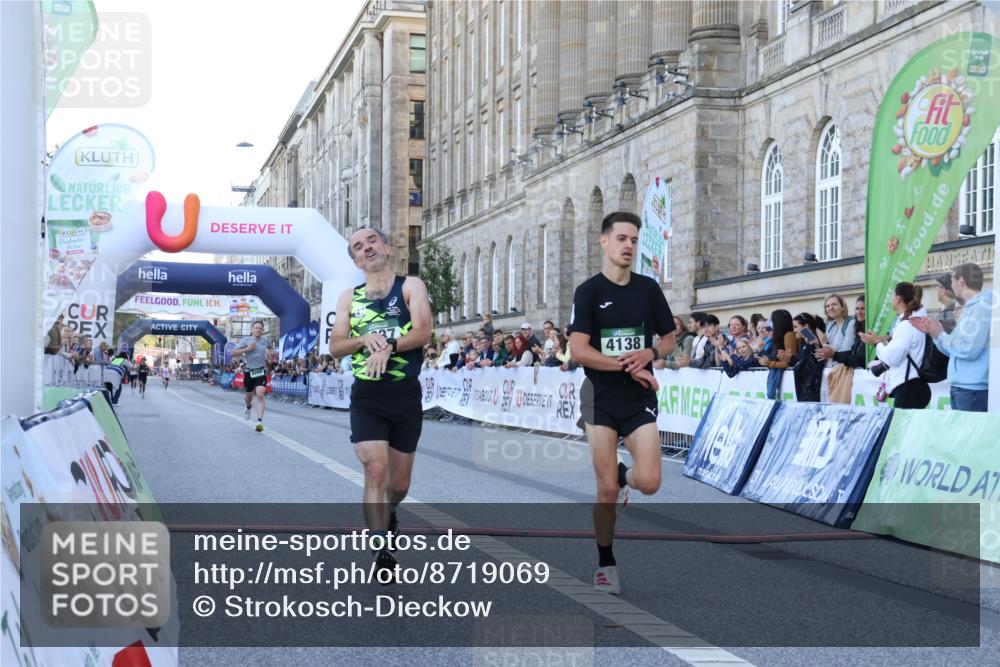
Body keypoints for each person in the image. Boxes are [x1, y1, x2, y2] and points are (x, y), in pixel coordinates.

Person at [567, 211, 675, 595]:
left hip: (638, 396)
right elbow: (579, 351)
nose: (629, 246)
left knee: (649, 481)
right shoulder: (589, 292)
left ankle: (624, 476)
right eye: (622, 239)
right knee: (605, 491)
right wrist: (626, 365)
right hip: (600, 398)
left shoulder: (647, 289)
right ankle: (606, 560)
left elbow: (670, 337)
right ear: (605, 242)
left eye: (634, 240)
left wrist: (651, 351)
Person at [329, 227, 432, 580]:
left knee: (399, 485)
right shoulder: (349, 298)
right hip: (368, 395)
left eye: (372, 240)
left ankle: (390, 512)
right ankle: (380, 547)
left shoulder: (410, 286)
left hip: (404, 393)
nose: (366, 248)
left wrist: (387, 342)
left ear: (386, 246)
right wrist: (363, 339)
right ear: (355, 260)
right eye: (358, 246)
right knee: (374, 468)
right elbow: (336, 346)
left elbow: (422, 332)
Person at [913, 263, 992, 411]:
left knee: (968, 434)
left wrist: (940, 334)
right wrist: (934, 334)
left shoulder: (981, 307)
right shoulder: (970, 307)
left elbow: (969, 349)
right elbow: (954, 350)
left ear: (961, 281)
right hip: (963, 387)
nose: (951, 285)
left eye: (952, 281)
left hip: (972, 389)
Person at [860, 282, 929, 409]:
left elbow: (892, 358)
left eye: (892, 295)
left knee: (901, 428)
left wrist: (876, 343)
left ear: (898, 298)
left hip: (908, 388)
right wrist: (882, 343)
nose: (891, 299)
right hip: (912, 386)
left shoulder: (907, 325)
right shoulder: (914, 321)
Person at [232, 320, 274, 432]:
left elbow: (270, 347)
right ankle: (248, 407)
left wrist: (270, 354)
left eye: (260, 328)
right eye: (256, 328)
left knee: (260, 394)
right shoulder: (246, 340)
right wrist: (247, 349)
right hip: (249, 372)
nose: (258, 330)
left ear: (263, 330)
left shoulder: (265, 341)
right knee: (248, 397)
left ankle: (259, 421)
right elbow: (233, 352)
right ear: (252, 329)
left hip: (261, 371)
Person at [756, 309, 797, 399]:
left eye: (772, 321)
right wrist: (761, 352)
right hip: (779, 378)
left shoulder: (788, 335)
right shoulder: (777, 339)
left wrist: (769, 363)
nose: (770, 324)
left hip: (789, 381)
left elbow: (791, 362)